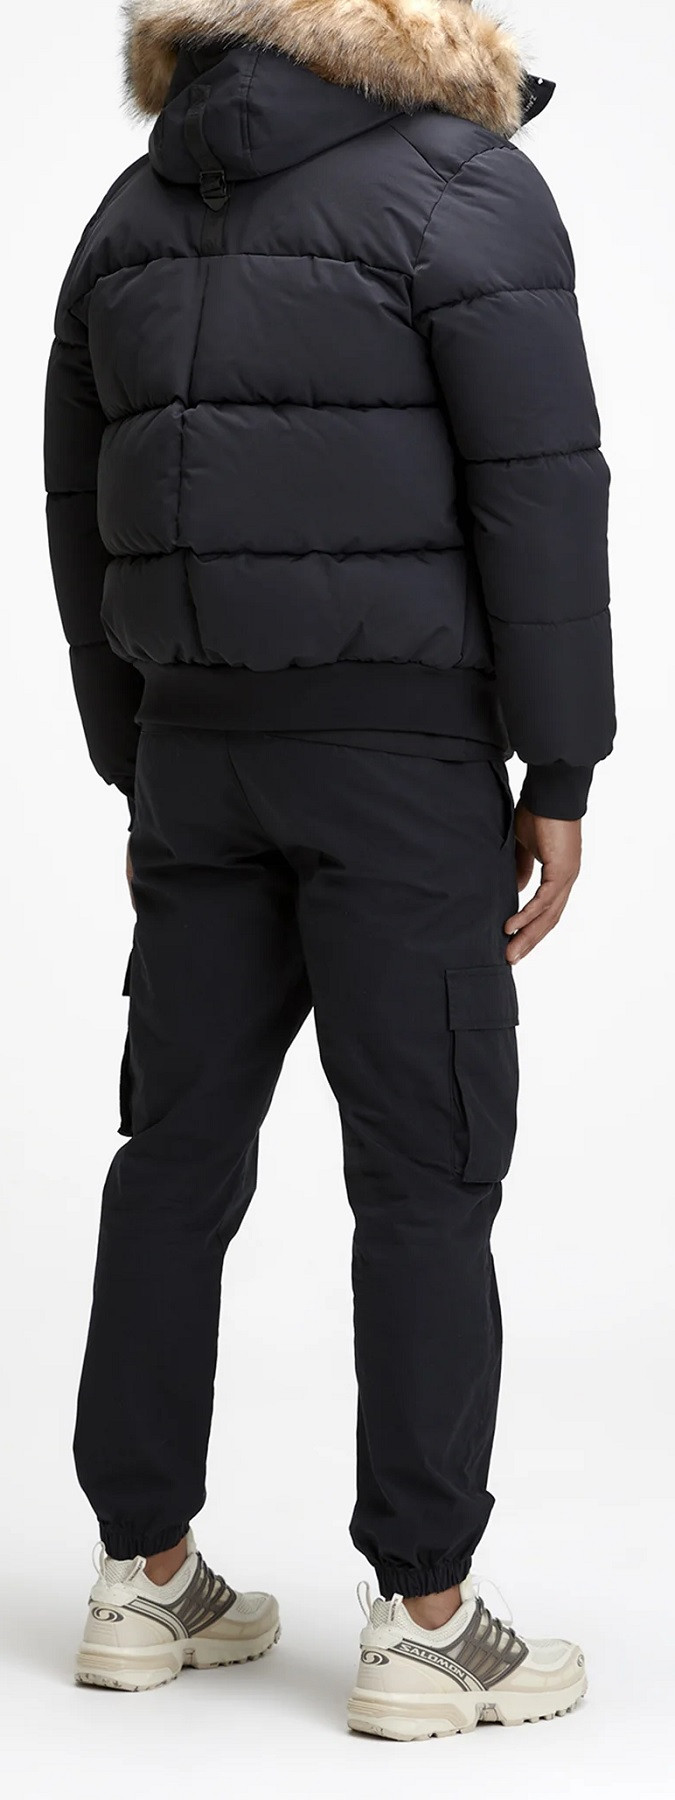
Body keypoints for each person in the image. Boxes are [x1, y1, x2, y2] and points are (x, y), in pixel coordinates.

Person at [44, 0, 614, 1735]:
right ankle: (427, 1620)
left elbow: (74, 501)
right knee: (426, 1170)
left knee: (173, 1152)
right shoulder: (463, 187)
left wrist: (132, 749)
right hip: (398, 761)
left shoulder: (129, 212)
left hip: (193, 754)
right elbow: (541, 492)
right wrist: (559, 766)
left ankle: (142, 1576)